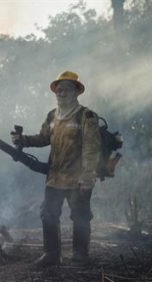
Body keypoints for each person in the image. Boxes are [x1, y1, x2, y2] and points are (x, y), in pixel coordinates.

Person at [12, 71, 101, 266]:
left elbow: (91, 149)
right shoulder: (52, 116)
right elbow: (44, 138)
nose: (61, 93)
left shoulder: (86, 116)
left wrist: (88, 176)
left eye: (66, 90)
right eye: (58, 90)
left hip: (78, 178)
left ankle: (80, 254)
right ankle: (51, 254)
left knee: (80, 216)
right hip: (55, 177)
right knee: (48, 214)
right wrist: (24, 140)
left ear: (76, 92)